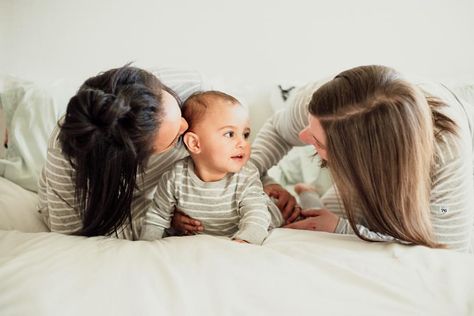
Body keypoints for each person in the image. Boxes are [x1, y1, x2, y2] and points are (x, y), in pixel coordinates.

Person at [181, 65, 474, 252]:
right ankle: (311, 192)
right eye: (309, 127)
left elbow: (447, 253)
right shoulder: (323, 100)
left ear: (359, 162)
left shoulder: (448, 151)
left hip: (422, 183)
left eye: (318, 142)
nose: (305, 137)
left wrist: (342, 228)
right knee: (324, 213)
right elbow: (279, 131)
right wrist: (247, 182)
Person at [38, 65, 296, 240]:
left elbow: (223, 149)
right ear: (136, 159)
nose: (186, 131)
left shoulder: (193, 91)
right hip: (107, 210)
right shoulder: (70, 162)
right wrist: (164, 220)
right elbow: (79, 237)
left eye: (180, 115)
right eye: (175, 138)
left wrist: (264, 182)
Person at [140, 91, 283, 244]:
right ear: (195, 144)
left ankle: (302, 194)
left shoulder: (245, 176)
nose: (243, 143)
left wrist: (245, 240)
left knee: (274, 211)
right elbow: (157, 216)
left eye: (245, 134)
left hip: (266, 216)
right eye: (230, 134)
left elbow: (256, 214)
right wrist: (147, 245)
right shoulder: (175, 178)